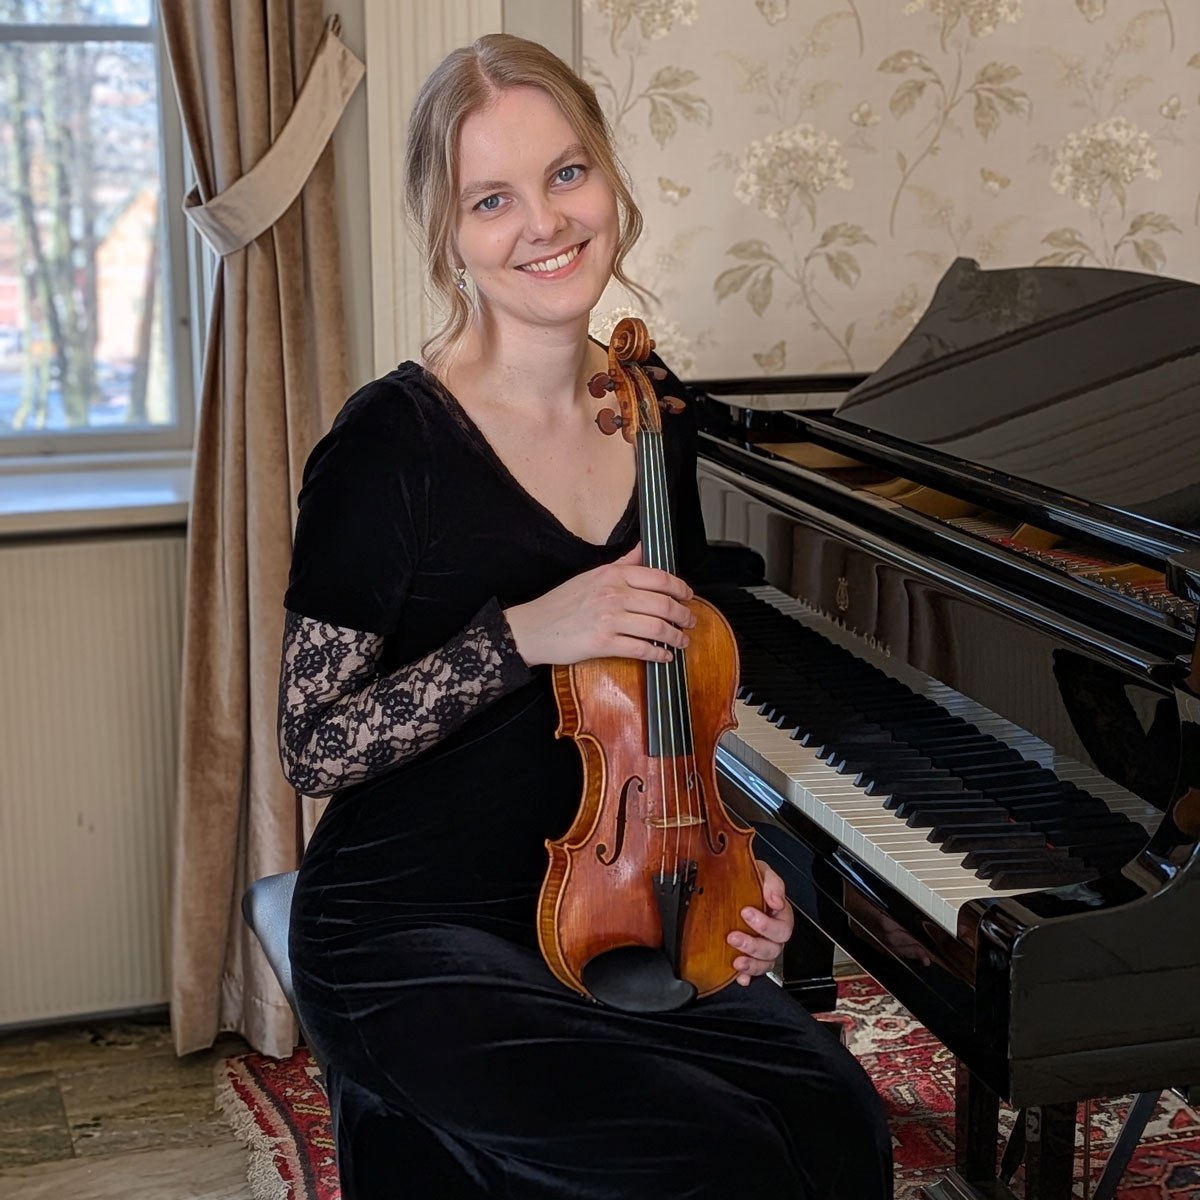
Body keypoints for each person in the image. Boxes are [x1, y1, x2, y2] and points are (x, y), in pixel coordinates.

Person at [279, 32, 893, 1199]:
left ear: (608, 176)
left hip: (600, 907)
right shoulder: (388, 444)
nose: (546, 223)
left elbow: (668, 710)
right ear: (446, 231)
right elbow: (313, 744)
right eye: (493, 199)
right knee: (720, 1158)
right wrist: (524, 633)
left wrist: (731, 886)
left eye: (568, 173)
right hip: (402, 933)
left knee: (837, 1123)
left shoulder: (655, 416)